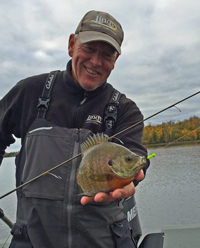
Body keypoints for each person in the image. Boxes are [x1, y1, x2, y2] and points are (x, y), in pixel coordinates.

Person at [0, 10, 149, 248]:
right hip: (34, 239)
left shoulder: (125, 109)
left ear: (115, 60)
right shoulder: (30, 92)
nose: (96, 62)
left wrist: (134, 176)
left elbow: (135, 153)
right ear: (71, 45)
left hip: (104, 240)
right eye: (89, 49)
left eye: (107, 54)